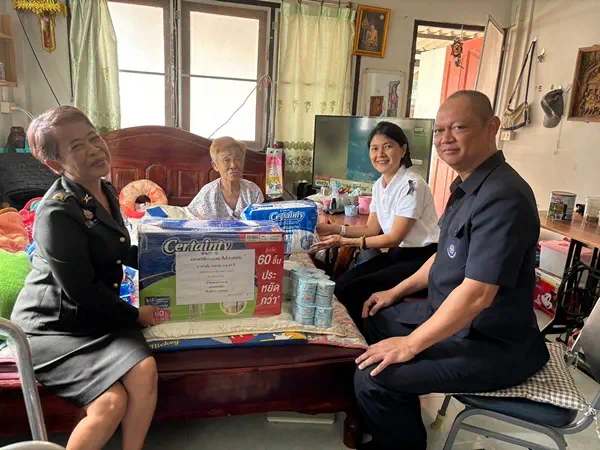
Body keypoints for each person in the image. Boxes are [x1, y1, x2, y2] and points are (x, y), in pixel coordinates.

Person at [352, 91, 550, 450]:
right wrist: (394, 292)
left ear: (492, 127)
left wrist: (410, 345)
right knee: (374, 315)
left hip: (489, 343)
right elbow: (442, 256)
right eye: (440, 130)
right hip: (447, 315)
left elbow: (477, 295)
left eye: (459, 127)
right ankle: (398, 423)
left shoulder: (503, 196)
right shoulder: (466, 187)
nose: (446, 138)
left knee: (373, 374)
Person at [11, 106, 159, 450]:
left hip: (96, 314)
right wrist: (136, 315)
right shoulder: (57, 211)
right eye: (77, 146)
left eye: (93, 138)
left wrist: (169, 257)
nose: (94, 149)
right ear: (55, 164)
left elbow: (117, 251)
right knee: (111, 403)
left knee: (144, 371)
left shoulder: (104, 190)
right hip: (52, 325)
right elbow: (81, 289)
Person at [311, 122, 439, 325]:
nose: (380, 154)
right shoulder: (379, 184)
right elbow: (371, 229)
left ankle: (362, 337)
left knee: (354, 289)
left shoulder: (412, 185)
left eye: (388, 146)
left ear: (403, 150)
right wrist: (332, 229)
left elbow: (394, 237)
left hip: (421, 259)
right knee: (341, 284)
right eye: (374, 148)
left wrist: (344, 241)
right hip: (397, 255)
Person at [188, 136, 264, 220]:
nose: (233, 165)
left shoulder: (253, 191)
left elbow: (261, 223)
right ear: (215, 166)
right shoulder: (207, 193)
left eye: (238, 159)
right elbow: (197, 223)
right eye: (226, 160)